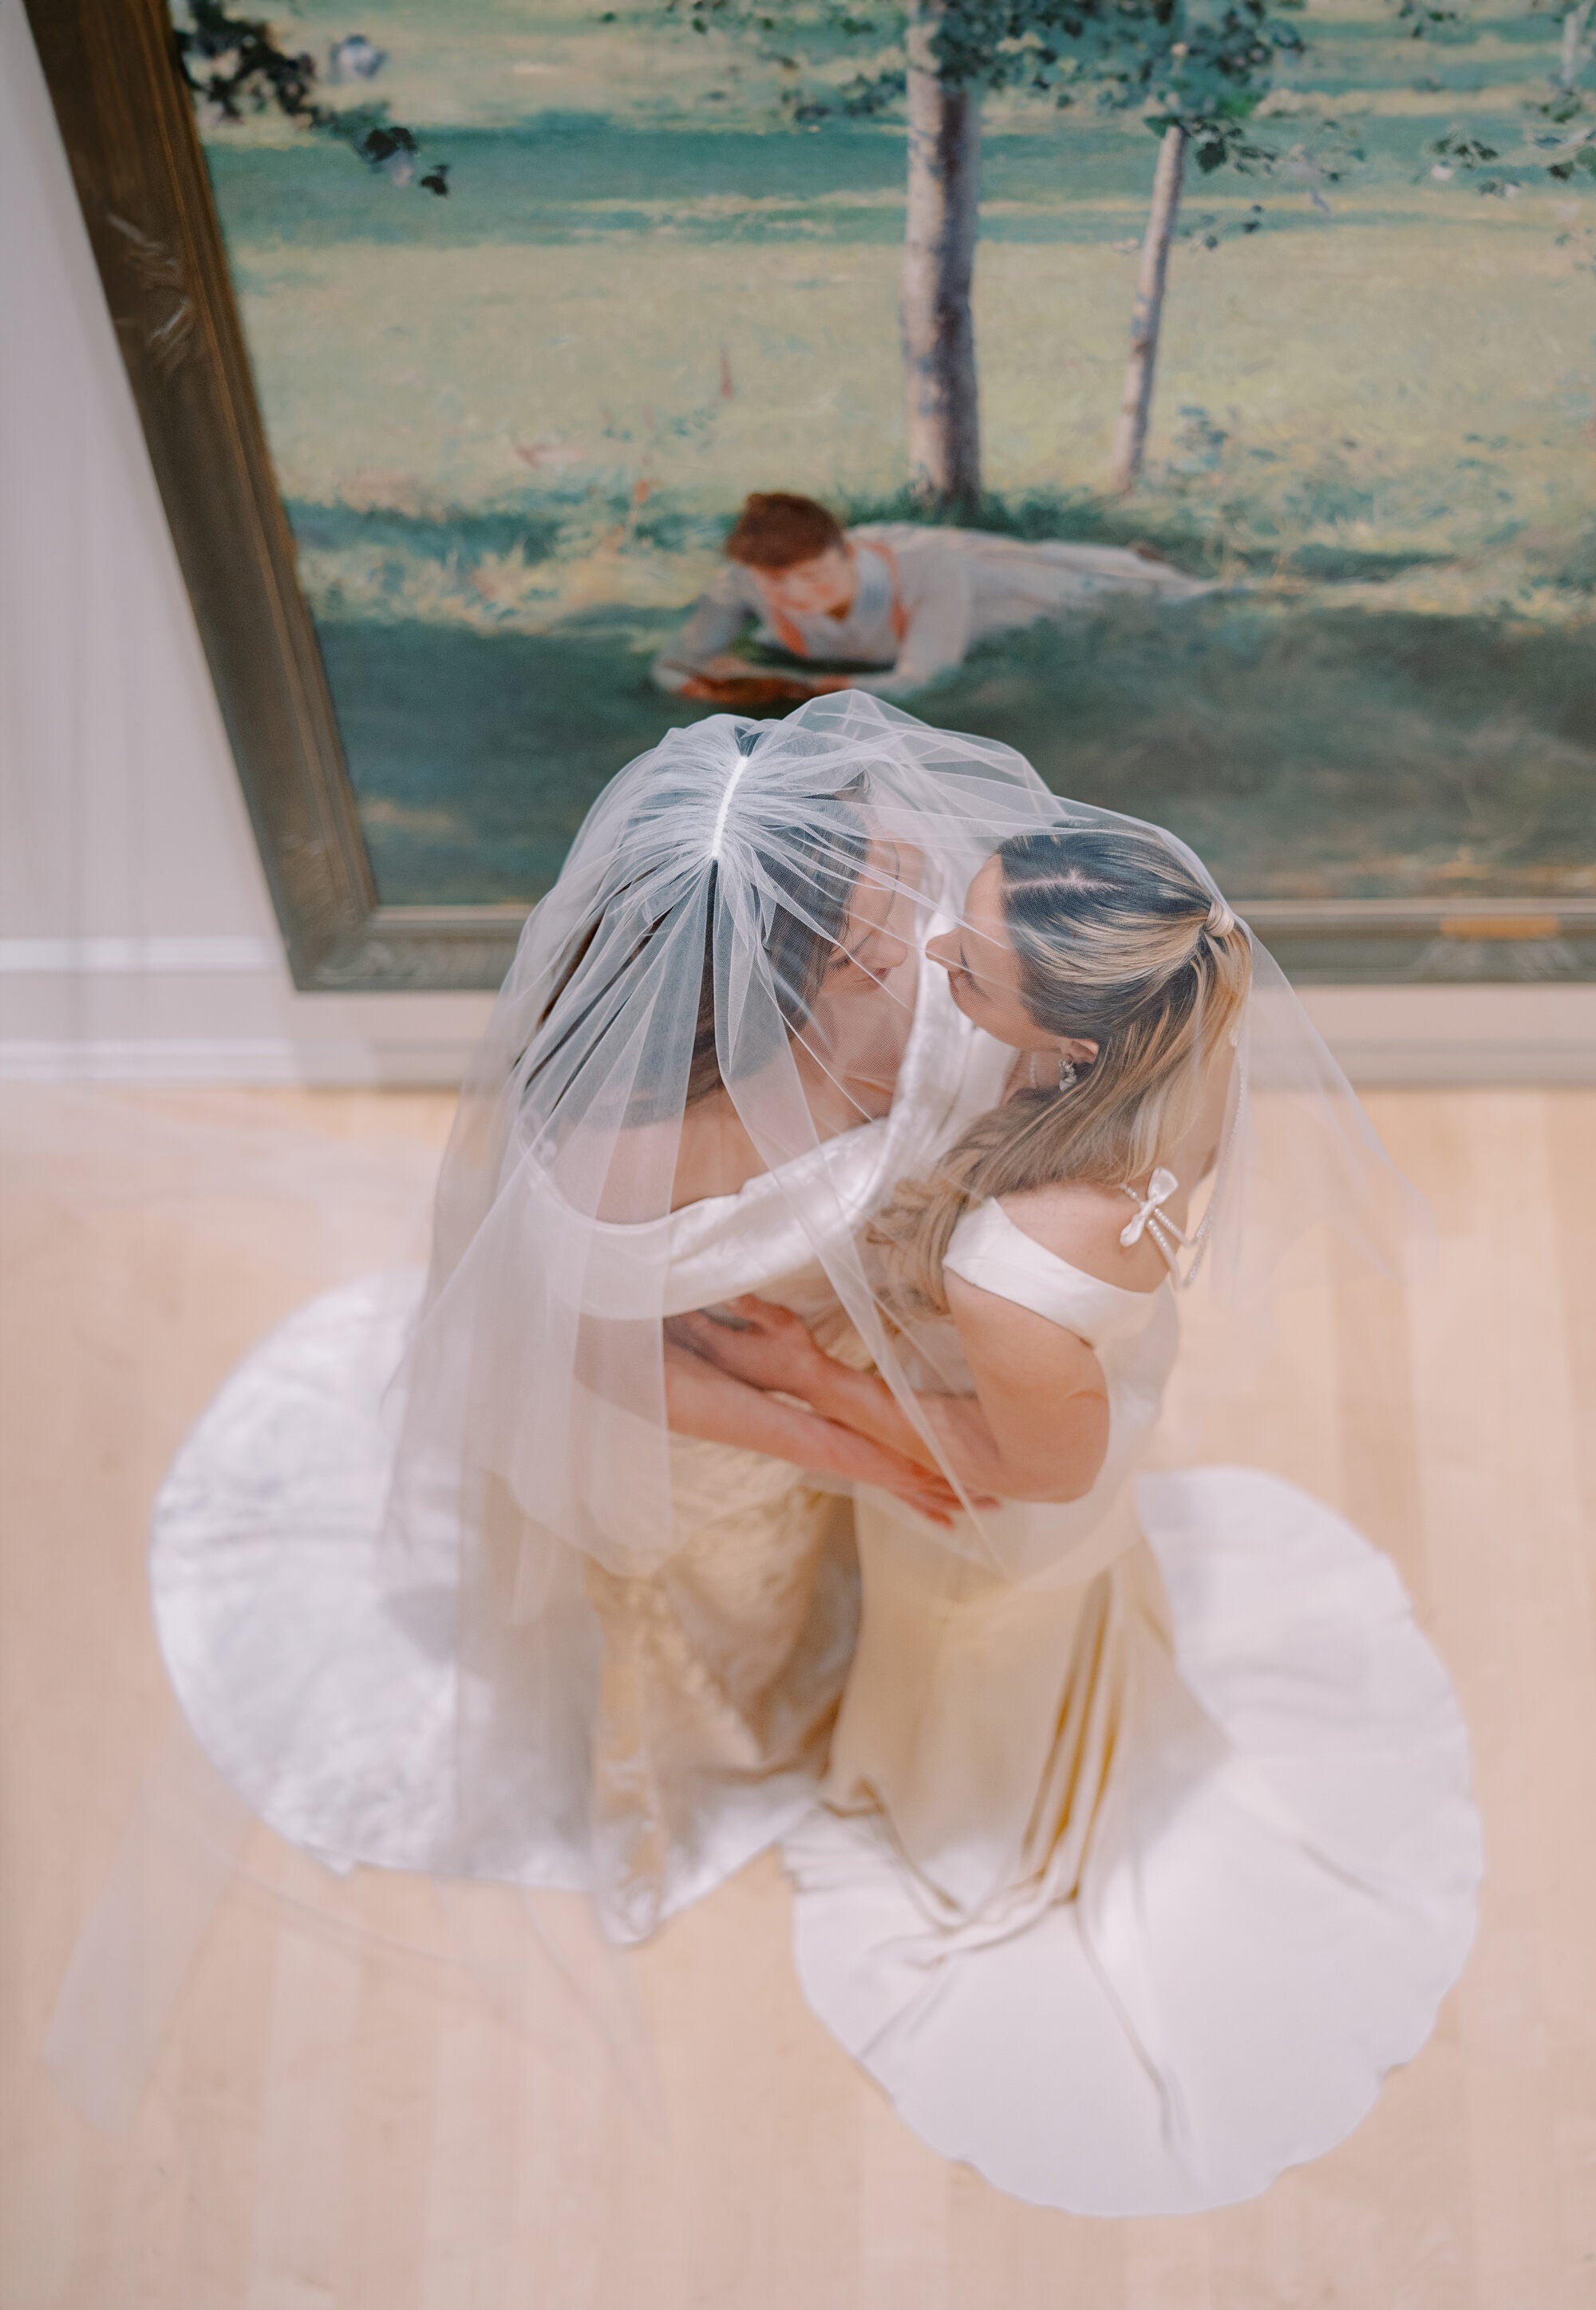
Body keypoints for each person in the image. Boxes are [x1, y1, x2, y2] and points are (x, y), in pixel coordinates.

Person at [73, 696, 1476, 2221]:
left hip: (901, 1365)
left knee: (882, 1559)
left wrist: (874, 1392)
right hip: (692, 1408)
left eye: (905, 891)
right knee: (721, 1592)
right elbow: (617, 1369)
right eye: (884, 927)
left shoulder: (961, 957)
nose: (927, 920)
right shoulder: (607, 1172)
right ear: (765, 985)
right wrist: (817, 1418)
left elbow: (1033, 1272)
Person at [674, 813, 1483, 2216]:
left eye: (972, 971)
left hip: (1015, 1475)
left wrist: (810, 1375)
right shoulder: (1192, 1019)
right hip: (1099, 1374)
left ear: (1078, 1040)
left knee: (969, 1635)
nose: (933, 956)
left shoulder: (1008, 1261)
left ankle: (969, 1802)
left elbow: (1023, 1472)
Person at [651, 492, 1211, 706]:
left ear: (845, 553)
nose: (797, 597)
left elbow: (927, 676)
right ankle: (1132, 564)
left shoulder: (926, 568)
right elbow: (675, 662)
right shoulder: (743, 581)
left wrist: (799, 689)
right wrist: (703, 687)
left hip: (976, 581)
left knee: (1074, 588)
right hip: (925, 580)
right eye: (777, 584)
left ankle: (1146, 568)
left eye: (814, 575)